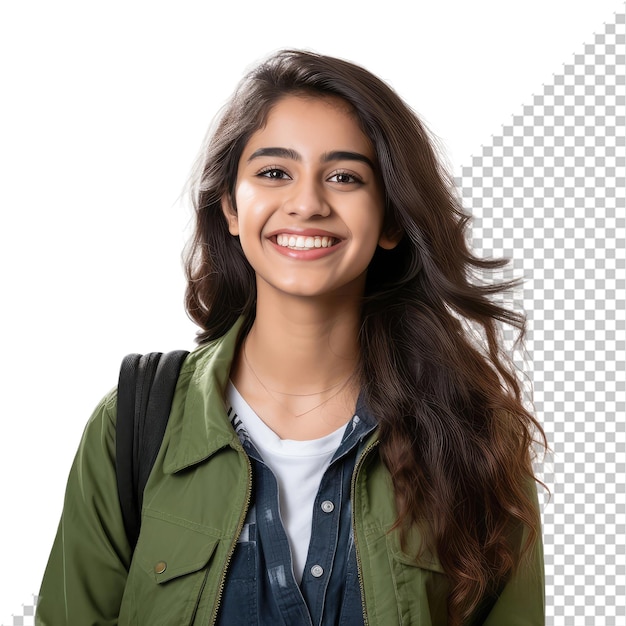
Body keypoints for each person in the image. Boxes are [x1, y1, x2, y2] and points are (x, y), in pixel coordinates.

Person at [36, 49, 546, 625]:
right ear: (230, 204)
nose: (306, 203)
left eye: (345, 177)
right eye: (275, 172)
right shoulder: (132, 424)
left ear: (391, 220)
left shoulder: (473, 433)